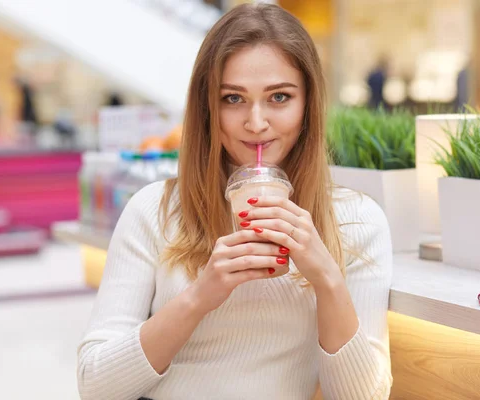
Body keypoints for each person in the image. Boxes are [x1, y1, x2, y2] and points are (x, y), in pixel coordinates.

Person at [77, 4, 393, 400]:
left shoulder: (357, 221)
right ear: (208, 108)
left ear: (308, 104)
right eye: (233, 98)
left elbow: (361, 397)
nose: (256, 123)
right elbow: (95, 386)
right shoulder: (154, 210)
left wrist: (326, 278)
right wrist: (198, 297)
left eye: (279, 97)